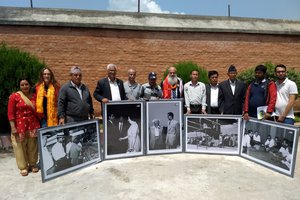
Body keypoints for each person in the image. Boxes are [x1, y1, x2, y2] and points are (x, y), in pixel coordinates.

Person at [7, 77, 40, 176]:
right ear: (19, 86)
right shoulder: (14, 97)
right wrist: (13, 127)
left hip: (32, 124)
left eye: (26, 84)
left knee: (32, 146)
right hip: (20, 126)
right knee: (20, 147)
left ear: (30, 85)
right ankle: (23, 167)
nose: (25, 86)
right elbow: (10, 113)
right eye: (22, 85)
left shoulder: (34, 96)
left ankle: (33, 164)